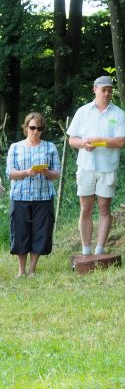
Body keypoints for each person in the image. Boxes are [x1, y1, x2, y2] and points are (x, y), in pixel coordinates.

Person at [66, 75, 125, 255]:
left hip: (107, 167)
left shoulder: (118, 113)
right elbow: (72, 139)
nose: (108, 93)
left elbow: (120, 142)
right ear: (95, 89)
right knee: (85, 208)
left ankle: (99, 249)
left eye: (110, 90)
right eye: (104, 90)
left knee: (104, 207)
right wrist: (83, 144)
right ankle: (86, 250)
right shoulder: (83, 111)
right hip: (86, 165)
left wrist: (99, 140)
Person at [6, 113, 61, 277]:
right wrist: (25, 172)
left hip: (43, 196)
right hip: (19, 197)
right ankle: (21, 271)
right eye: (32, 127)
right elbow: (10, 173)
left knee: (41, 232)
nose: (35, 131)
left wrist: (47, 172)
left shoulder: (50, 147)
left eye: (39, 128)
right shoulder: (15, 147)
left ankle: (32, 270)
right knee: (20, 232)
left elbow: (57, 173)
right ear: (25, 127)